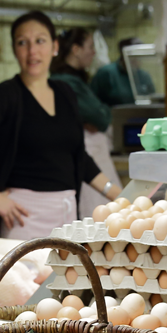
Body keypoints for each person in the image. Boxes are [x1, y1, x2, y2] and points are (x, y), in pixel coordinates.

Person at [0, 11, 121, 239]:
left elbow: (77, 156)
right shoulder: (3, 96)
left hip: (67, 215)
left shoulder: (65, 94)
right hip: (23, 220)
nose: (32, 51)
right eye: (22, 43)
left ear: (54, 46)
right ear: (14, 49)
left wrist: (117, 194)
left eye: (40, 40)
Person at [50, 27, 123, 217]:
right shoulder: (66, 83)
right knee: (98, 217)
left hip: (92, 163)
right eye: (90, 46)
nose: (94, 52)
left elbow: (101, 115)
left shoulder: (76, 80)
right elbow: (100, 116)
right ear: (76, 50)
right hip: (87, 158)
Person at [91, 36, 157, 106]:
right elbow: (94, 102)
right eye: (134, 56)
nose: (138, 60)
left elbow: (152, 99)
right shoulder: (106, 73)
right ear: (123, 56)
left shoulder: (144, 76)